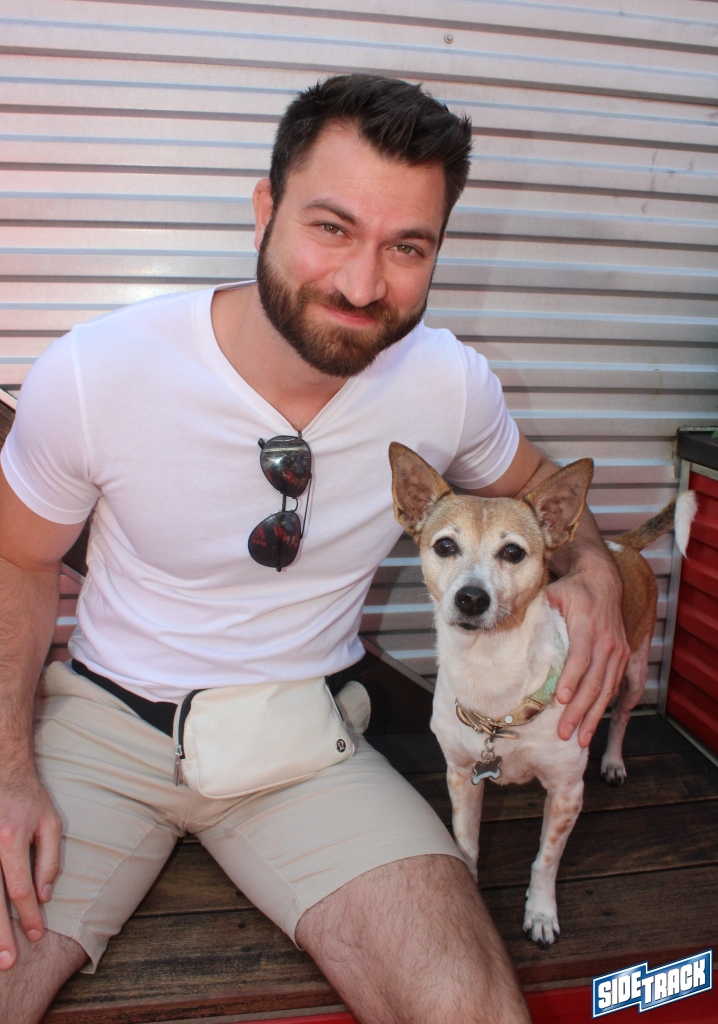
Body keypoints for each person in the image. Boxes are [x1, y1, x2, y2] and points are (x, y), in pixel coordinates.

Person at [0, 75, 630, 1023]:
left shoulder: (448, 383)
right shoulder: (99, 371)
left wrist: (601, 580)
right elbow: (16, 559)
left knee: (469, 1005)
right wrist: (8, 768)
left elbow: (551, 501)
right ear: (266, 209)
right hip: (101, 732)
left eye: (407, 246)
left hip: (308, 744)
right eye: (332, 227)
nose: (363, 284)